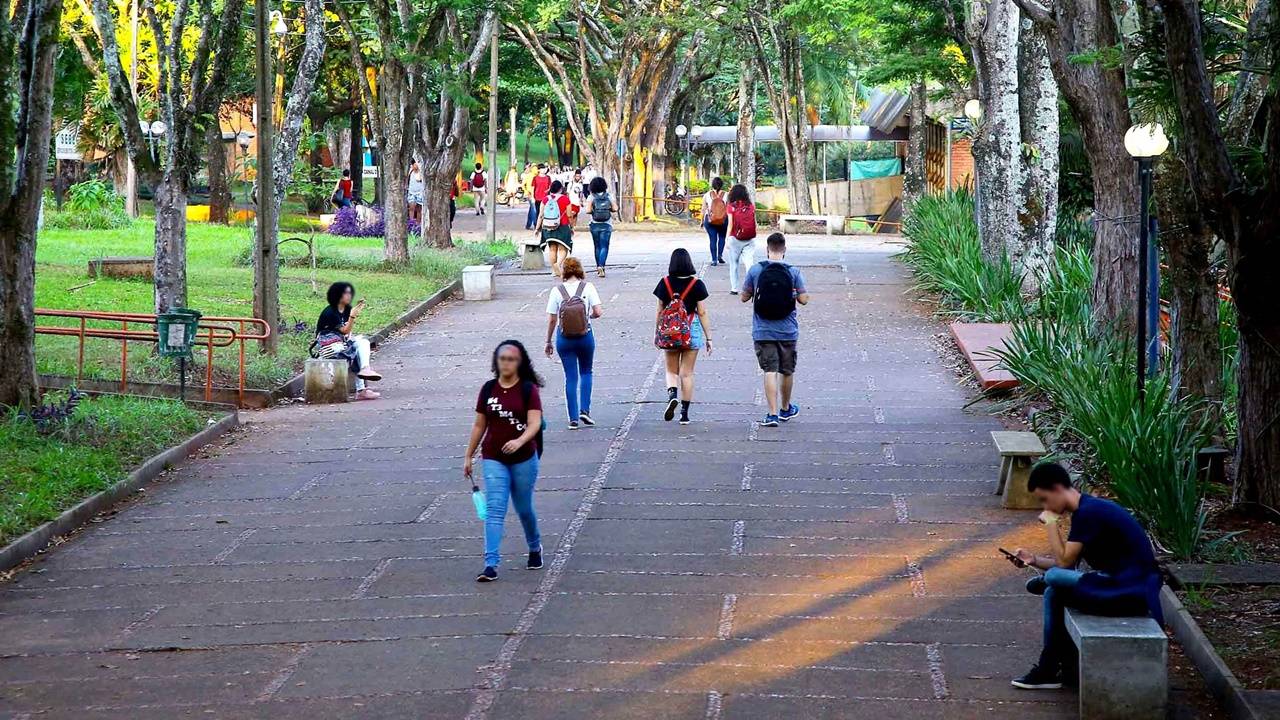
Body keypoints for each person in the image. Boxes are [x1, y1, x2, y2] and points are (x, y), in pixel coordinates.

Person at [1009, 462, 1164, 690]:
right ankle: (1053, 668)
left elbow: (1063, 563)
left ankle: (1049, 666)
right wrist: (1033, 560)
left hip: (1130, 590)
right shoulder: (1086, 511)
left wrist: (1051, 523)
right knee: (1054, 589)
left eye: (1044, 499)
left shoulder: (1089, 513)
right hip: (1114, 584)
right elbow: (1067, 564)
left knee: (1054, 579)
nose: (1044, 507)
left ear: (1057, 488)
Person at [463, 340, 546, 583]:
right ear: (496, 361)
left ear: (520, 363)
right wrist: (468, 455)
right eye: (502, 358)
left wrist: (520, 441)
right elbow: (480, 424)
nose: (506, 363)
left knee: (523, 508)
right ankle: (491, 564)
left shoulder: (528, 390)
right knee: (495, 509)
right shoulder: (488, 389)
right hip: (493, 457)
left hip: (524, 458)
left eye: (511, 359)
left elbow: (535, 423)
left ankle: (534, 547)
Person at [740, 233, 809, 427]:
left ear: (767, 250)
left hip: (763, 330)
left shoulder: (756, 270)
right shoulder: (794, 272)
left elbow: (744, 297)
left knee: (769, 370)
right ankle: (786, 408)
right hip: (787, 330)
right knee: (786, 370)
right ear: (784, 250)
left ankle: (771, 414)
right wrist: (794, 293)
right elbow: (803, 300)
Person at [653, 248, 713, 425]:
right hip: (691, 328)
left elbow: (659, 310)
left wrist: (657, 332)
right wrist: (709, 337)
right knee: (687, 374)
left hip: (670, 331)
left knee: (671, 370)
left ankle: (672, 394)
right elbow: (702, 312)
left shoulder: (664, 283)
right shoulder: (697, 284)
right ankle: (684, 414)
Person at [544, 257, 603, 429]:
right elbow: (598, 312)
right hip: (585, 337)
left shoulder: (557, 291)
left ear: (564, 271)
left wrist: (548, 341)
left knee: (570, 377)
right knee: (586, 372)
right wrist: (587, 317)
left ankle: (573, 418)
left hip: (564, 339)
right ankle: (585, 410)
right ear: (579, 270)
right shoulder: (588, 287)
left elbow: (552, 319)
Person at [315, 282, 382, 401]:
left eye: (350, 292)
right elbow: (345, 331)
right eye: (346, 293)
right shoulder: (330, 311)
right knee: (355, 349)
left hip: (340, 343)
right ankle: (361, 389)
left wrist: (351, 318)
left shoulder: (346, 309)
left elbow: (347, 332)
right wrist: (352, 317)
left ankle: (365, 370)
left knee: (363, 342)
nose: (349, 295)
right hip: (328, 347)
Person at [724, 183, 758, 294]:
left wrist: (726, 240)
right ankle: (751, 286)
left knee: (734, 264)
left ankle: (734, 288)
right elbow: (754, 222)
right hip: (750, 238)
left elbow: (730, 225)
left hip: (735, 238)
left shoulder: (731, 207)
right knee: (749, 262)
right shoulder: (751, 206)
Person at [536, 180, 573, 278]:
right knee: (563, 248)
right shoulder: (565, 199)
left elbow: (540, 215)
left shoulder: (545, 199)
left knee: (552, 249)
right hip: (563, 226)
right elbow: (569, 215)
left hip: (548, 227)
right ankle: (559, 264)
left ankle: (554, 270)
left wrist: (537, 228)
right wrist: (572, 226)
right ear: (561, 189)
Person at [585, 176, 614, 277]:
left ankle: (598, 266)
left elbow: (588, 211)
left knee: (597, 246)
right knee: (604, 246)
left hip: (594, 224)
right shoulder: (609, 196)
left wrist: (594, 210)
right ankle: (602, 265)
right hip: (607, 224)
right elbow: (615, 208)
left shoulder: (591, 197)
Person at [701, 177, 729, 266]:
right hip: (723, 220)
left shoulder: (707, 195)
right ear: (721, 185)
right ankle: (719, 255)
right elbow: (729, 208)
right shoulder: (727, 195)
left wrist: (702, 221)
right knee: (722, 237)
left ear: (712, 185)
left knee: (712, 239)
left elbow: (703, 209)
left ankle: (714, 260)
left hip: (710, 220)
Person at [530, 164, 551, 231]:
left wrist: (548, 191)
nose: (543, 170)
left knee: (546, 212)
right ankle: (538, 226)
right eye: (542, 169)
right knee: (539, 212)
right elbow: (533, 188)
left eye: (544, 168)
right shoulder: (535, 178)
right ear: (539, 170)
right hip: (538, 197)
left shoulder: (548, 178)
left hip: (546, 198)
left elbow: (550, 187)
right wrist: (532, 197)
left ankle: (544, 225)